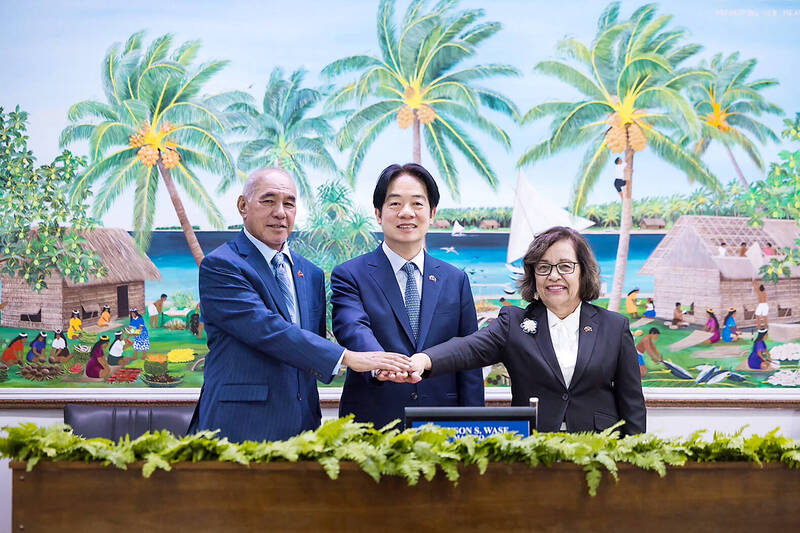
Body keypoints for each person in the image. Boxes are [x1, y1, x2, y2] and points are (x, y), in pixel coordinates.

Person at [191, 168, 412, 443]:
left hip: (303, 428)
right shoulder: (223, 265)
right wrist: (348, 357)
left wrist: (379, 365)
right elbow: (267, 329)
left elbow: (308, 347)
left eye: (289, 203)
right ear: (243, 206)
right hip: (238, 427)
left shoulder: (312, 274)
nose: (280, 212)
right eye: (268, 200)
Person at [382, 226, 646, 435]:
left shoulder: (614, 326)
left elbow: (632, 404)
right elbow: (468, 348)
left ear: (583, 272)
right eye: (543, 267)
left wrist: (633, 467)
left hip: (601, 450)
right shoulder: (513, 323)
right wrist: (422, 360)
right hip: (533, 450)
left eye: (565, 266)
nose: (554, 276)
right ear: (534, 276)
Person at [331, 163, 484, 428]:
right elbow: (352, 328)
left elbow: (469, 357)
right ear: (378, 213)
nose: (406, 213)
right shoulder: (350, 275)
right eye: (394, 204)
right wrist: (381, 364)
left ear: (432, 213)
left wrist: (473, 427)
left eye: (417, 203)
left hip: (443, 424)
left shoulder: (455, 280)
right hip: (372, 421)